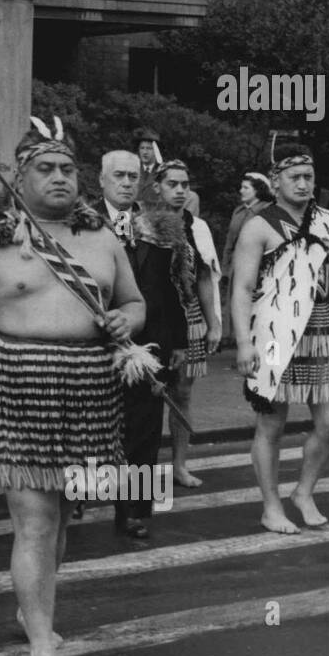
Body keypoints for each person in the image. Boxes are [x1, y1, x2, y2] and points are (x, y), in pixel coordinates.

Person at [0, 121, 145, 656]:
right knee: (35, 521)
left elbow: (134, 300)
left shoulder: (102, 238)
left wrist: (129, 318)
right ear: (18, 179)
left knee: (63, 517)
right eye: (45, 169)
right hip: (16, 385)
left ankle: (35, 607)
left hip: (90, 387)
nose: (59, 178)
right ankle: (41, 647)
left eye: (67, 169)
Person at [231, 145, 329, 534]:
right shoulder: (259, 225)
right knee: (271, 424)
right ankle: (271, 507)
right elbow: (241, 287)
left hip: (321, 330)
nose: (303, 184)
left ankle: (303, 491)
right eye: (294, 177)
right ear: (276, 182)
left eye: (308, 176)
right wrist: (242, 342)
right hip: (273, 332)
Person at [97, 150, 189, 539]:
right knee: (95, 428)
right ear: (101, 180)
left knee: (145, 430)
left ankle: (135, 513)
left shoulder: (161, 227)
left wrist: (180, 341)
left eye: (133, 176)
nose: (126, 183)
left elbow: (176, 289)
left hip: (150, 346)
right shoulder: (83, 227)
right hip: (95, 346)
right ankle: (80, 498)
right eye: (118, 175)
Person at [154, 160, 221, 488]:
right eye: (172, 184)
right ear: (158, 188)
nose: (180, 190)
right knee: (148, 397)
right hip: (154, 320)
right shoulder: (144, 224)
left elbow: (205, 277)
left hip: (190, 317)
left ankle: (179, 465)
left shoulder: (199, 227)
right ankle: (140, 469)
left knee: (182, 393)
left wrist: (215, 324)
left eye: (185, 184)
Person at [220, 173, 273, 347]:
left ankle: (260, 347)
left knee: (256, 306)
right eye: (241, 187)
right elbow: (230, 240)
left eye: (246, 188)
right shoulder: (239, 210)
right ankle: (244, 345)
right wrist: (226, 267)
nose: (241, 190)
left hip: (256, 265)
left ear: (258, 190)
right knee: (239, 303)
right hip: (237, 263)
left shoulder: (267, 209)